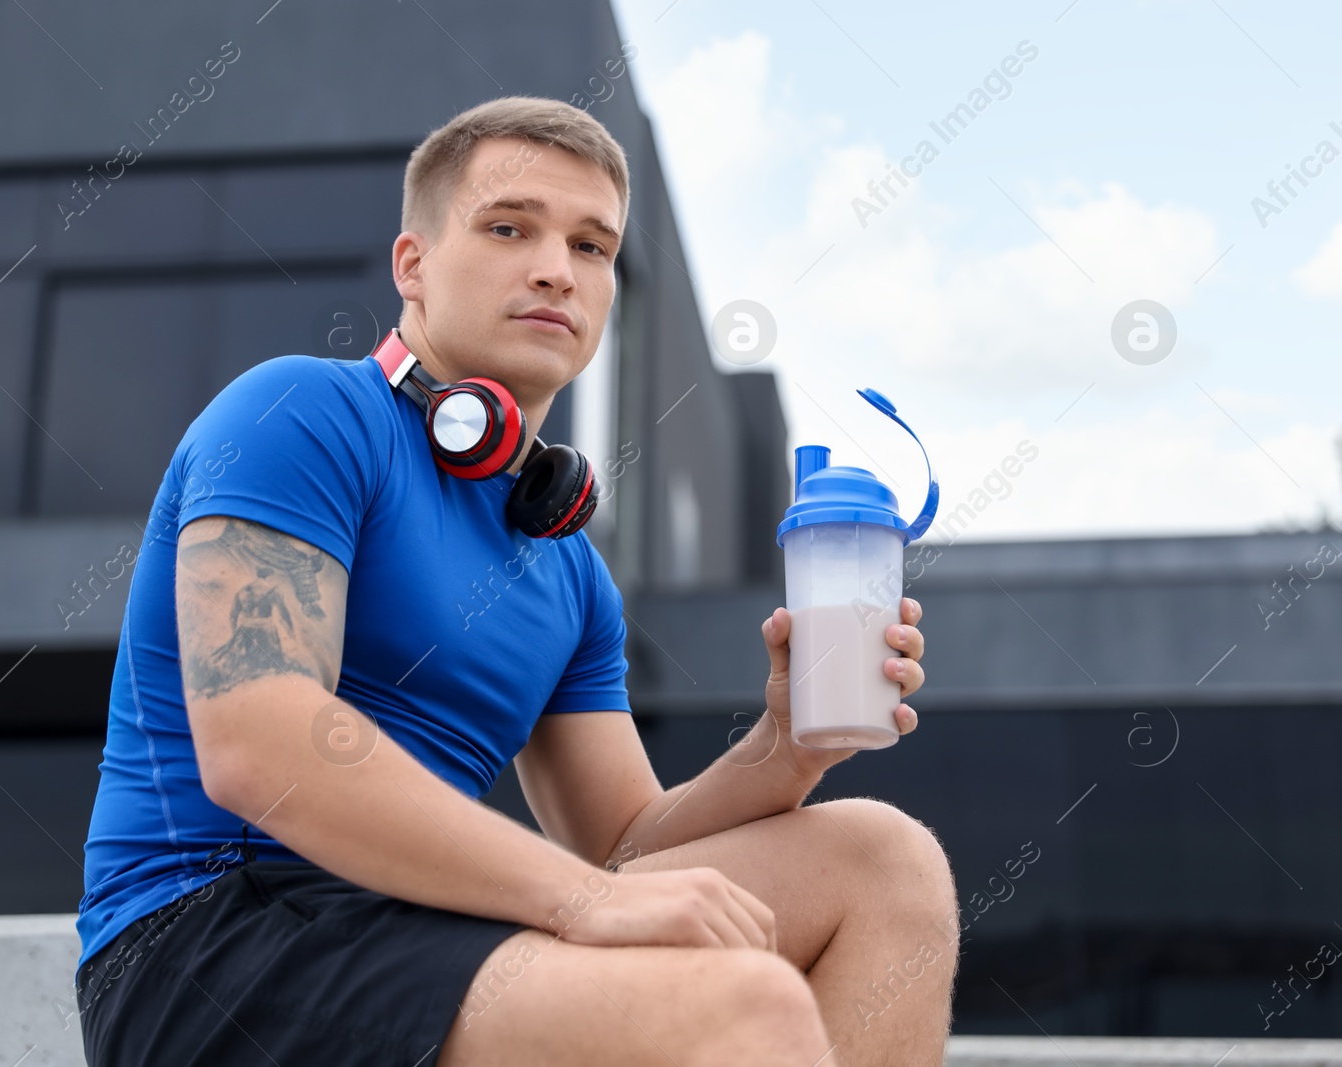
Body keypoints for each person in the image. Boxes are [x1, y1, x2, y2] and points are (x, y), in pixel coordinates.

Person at [73, 95, 956, 1067]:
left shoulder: (568, 566)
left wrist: (783, 747)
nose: (554, 267)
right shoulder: (302, 412)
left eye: (590, 245)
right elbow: (258, 742)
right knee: (732, 1004)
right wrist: (587, 900)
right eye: (508, 227)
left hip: (429, 933)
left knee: (883, 859)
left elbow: (622, 841)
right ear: (412, 263)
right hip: (213, 940)